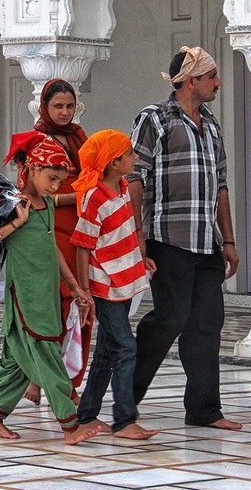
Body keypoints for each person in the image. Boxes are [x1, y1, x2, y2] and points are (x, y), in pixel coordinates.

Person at [128, 46, 242, 430]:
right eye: (211, 77)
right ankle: (126, 401)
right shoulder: (155, 119)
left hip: (205, 242)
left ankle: (204, 410)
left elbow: (221, 185)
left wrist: (228, 240)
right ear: (191, 81)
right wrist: (137, 236)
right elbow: (134, 178)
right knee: (169, 318)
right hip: (167, 238)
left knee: (207, 323)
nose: (218, 83)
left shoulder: (210, 124)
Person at [0, 131, 99, 445]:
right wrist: (15, 224)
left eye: (59, 181)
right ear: (31, 169)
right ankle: (70, 426)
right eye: (51, 178)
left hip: (45, 292)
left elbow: (51, 246)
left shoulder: (47, 204)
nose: (55, 187)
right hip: (26, 295)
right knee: (47, 354)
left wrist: (74, 285)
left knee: (16, 363)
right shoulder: (11, 202)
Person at [70, 129, 160, 440]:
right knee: (125, 346)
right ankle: (124, 420)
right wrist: (84, 290)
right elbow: (83, 245)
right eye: (129, 154)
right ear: (113, 162)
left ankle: (87, 417)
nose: (135, 158)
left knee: (108, 351)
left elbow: (119, 236)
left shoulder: (121, 187)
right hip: (104, 286)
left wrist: (139, 259)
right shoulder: (95, 196)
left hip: (122, 279)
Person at [22, 78, 93, 406]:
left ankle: (68, 379)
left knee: (80, 304)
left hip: (83, 228)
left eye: (69, 106)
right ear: (44, 107)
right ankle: (40, 377)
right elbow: (34, 194)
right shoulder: (37, 142)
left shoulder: (80, 137)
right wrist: (75, 195)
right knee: (55, 304)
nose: (65, 112)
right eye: (57, 106)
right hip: (53, 228)